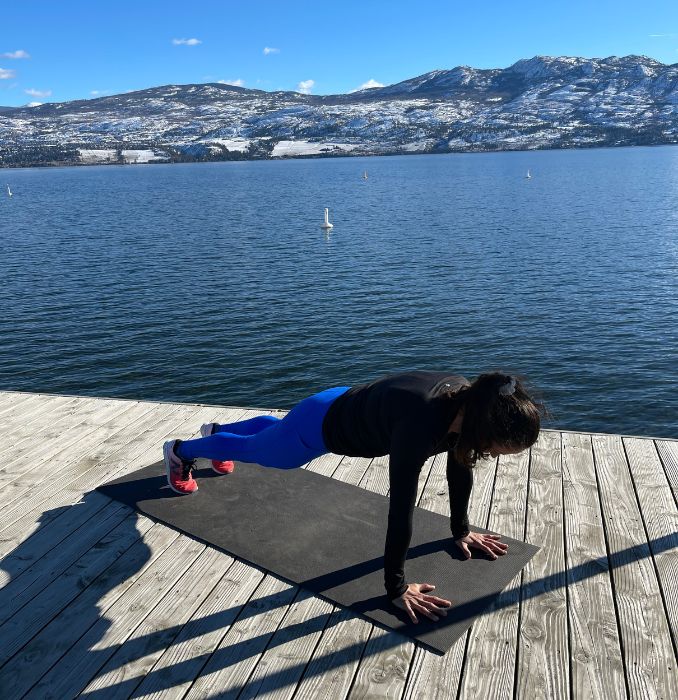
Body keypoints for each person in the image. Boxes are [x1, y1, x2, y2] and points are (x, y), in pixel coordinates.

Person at [163, 370, 545, 624]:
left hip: (336, 401)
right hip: (318, 430)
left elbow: (459, 465)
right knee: (264, 452)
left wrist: (461, 530)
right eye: (496, 448)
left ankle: (218, 431)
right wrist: (396, 587)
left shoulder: (468, 397)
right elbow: (400, 511)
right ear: (482, 426)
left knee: (272, 436)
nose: (492, 455)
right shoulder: (420, 427)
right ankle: (182, 450)